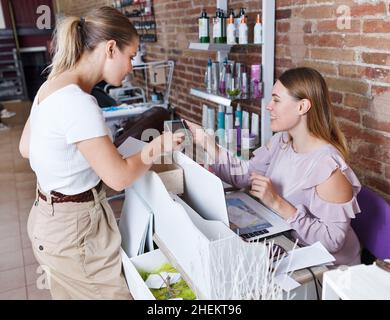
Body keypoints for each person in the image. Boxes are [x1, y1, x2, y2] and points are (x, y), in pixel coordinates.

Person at [18, 6, 184, 299]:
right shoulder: (78, 102)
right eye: (130, 56)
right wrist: (159, 145)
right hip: (76, 231)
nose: (131, 66)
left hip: (48, 218)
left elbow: (26, 148)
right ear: (110, 48)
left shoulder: (52, 86)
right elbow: (118, 179)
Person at [187, 67, 362, 266]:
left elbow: (332, 241)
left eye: (276, 100)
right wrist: (207, 143)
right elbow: (246, 176)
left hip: (327, 268)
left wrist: (277, 203)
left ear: (302, 107)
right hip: (287, 241)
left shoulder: (329, 169)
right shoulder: (283, 141)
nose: (269, 106)